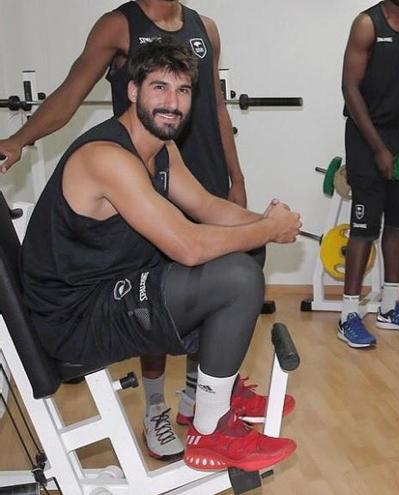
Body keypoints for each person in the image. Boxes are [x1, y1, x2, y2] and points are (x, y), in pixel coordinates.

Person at [0, 0, 281, 460]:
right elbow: (190, 246)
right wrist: (267, 229)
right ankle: (210, 430)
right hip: (73, 320)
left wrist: (270, 223)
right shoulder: (110, 157)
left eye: (182, 91)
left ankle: (204, 399)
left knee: (246, 252)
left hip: (100, 292)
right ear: (132, 91)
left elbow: (210, 207)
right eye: (159, 88)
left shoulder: (161, 151)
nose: (172, 102)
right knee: (235, 274)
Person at [338, 0, 399, 348]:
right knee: (365, 225)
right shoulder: (367, 24)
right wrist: (378, 148)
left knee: (398, 221)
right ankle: (349, 314)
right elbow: (350, 89)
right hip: (366, 135)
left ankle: (389, 308)